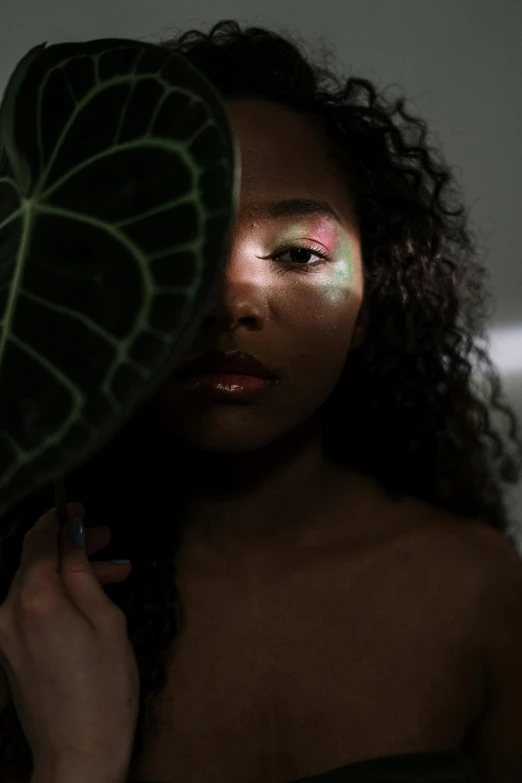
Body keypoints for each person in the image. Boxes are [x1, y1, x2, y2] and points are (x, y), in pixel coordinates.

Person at [0, 19, 521, 783]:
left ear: (372, 299)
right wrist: (74, 756)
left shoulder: (479, 589)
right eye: (185, 252)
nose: (231, 304)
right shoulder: (28, 616)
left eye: (298, 254)